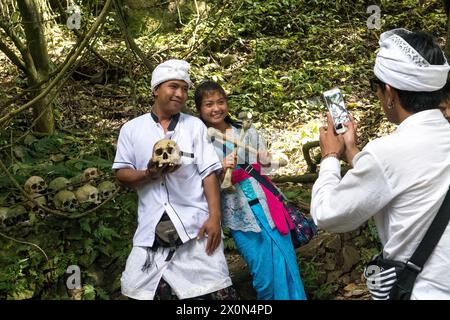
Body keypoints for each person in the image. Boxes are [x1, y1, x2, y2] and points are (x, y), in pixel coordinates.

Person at [311, 29, 450, 299]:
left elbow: (329, 215)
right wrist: (352, 149)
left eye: (376, 86)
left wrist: (330, 158)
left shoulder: (385, 153)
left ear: (389, 93)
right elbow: (399, 176)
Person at [112, 60, 237, 300]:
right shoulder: (132, 129)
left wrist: (214, 217)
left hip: (194, 227)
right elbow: (121, 173)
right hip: (151, 230)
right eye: (173, 86)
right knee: (138, 290)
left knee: (211, 291)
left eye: (184, 88)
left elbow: (208, 172)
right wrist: (148, 174)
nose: (179, 94)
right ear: (156, 89)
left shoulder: (194, 127)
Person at [194, 80, 307, 300]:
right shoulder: (200, 141)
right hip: (239, 215)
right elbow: (199, 184)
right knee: (262, 276)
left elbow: (267, 168)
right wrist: (220, 170)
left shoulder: (245, 131)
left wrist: (268, 161)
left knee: (287, 264)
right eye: (209, 104)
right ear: (199, 109)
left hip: (269, 204)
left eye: (221, 102)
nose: (216, 108)